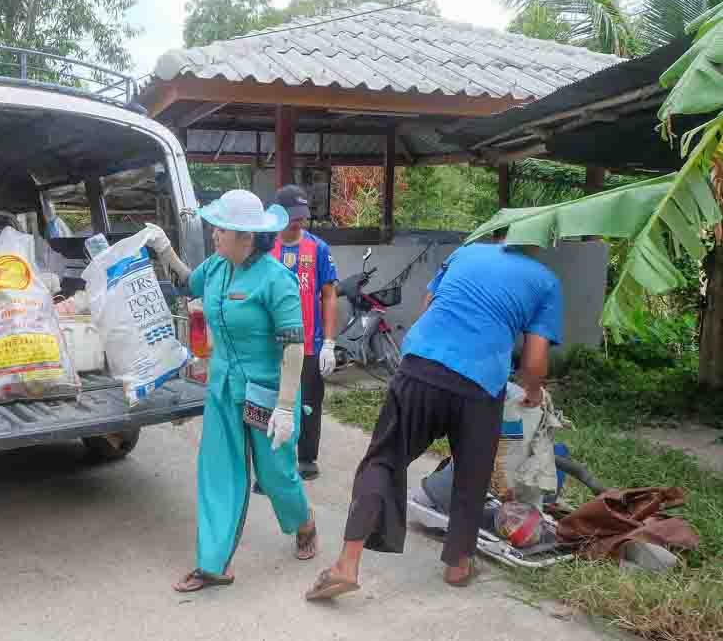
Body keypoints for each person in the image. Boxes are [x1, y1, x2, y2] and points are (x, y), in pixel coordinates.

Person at [305, 239, 563, 599]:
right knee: (472, 475)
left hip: (421, 367)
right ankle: (458, 565)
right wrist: (533, 393)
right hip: (480, 385)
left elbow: (428, 305)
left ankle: (346, 564)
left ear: (500, 233)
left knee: (383, 460)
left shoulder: (466, 252)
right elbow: (534, 362)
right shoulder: (546, 281)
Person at [146, 189, 319, 593]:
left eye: (221, 229)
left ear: (246, 236)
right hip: (223, 389)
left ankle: (304, 522)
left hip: (264, 395)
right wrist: (164, 250)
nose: (214, 234)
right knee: (217, 470)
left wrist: (286, 407)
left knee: (275, 475)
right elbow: (188, 283)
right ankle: (212, 564)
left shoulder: (276, 279)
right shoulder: (217, 267)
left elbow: (294, 346)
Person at [266, 185, 338, 481]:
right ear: (278, 215)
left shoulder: (318, 248)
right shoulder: (264, 247)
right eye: (293, 216)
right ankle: (271, 462)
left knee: (309, 404)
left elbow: (329, 295)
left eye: (302, 216)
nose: (299, 221)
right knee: (269, 401)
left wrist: (329, 343)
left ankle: (307, 457)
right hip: (271, 345)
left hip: (309, 344)